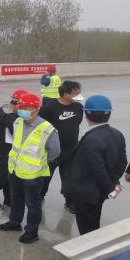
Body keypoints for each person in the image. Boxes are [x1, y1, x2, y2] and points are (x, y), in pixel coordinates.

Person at [0, 93, 61, 244]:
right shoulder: (18, 122)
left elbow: (55, 152)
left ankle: (32, 231)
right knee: (16, 198)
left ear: (37, 109)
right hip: (15, 169)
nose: (23, 110)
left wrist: (39, 162)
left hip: (33, 174)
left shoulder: (47, 129)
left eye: (27, 108)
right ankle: (15, 222)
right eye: (21, 107)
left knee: (33, 204)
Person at [65, 95, 127, 235]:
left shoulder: (91, 139)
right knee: (93, 221)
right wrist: (114, 181)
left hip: (86, 192)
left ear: (86, 114)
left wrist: (109, 188)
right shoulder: (117, 134)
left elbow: (97, 169)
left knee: (87, 229)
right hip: (98, 192)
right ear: (109, 113)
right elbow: (122, 161)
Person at [40, 80, 84, 213]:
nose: (77, 96)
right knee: (46, 176)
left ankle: (69, 201)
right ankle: (40, 196)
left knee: (69, 177)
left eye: (78, 93)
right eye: (74, 93)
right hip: (52, 150)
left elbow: (77, 122)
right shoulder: (50, 107)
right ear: (65, 93)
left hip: (71, 149)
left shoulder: (78, 107)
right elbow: (41, 126)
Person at [0, 90, 26, 209]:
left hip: (11, 149)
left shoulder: (8, 113)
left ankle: (8, 199)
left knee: (9, 175)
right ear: (17, 104)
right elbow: (17, 132)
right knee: (5, 174)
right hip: (6, 150)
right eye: (24, 107)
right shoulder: (9, 116)